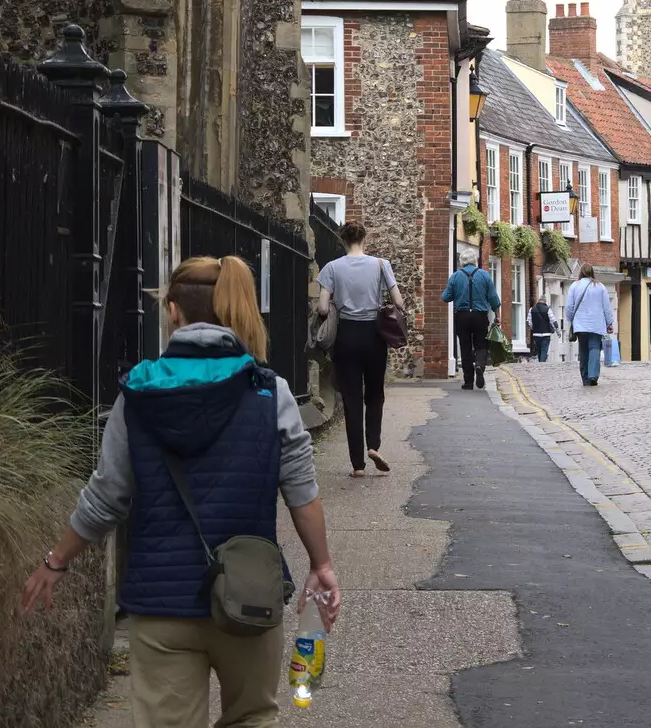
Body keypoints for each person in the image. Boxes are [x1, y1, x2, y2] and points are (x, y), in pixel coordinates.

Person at [22, 256, 341, 727]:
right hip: (248, 596)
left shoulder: (138, 393)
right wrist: (321, 565)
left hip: (161, 603)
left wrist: (57, 561)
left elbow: (107, 496)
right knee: (252, 716)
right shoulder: (268, 393)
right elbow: (301, 492)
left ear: (173, 311)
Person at [317, 222, 409, 477]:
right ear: (364, 238)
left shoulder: (332, 268)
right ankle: (374, 445)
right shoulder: (381, 265)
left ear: (342, 240)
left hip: (346, 336)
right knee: (375, 393)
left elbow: (323, 309)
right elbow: (398, 301)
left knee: (351, 398)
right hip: (374, 336)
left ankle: (357, 464)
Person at [441, 248, 500, 390]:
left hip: (461, 316)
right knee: (481, 345)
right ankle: (479, 365)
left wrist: (457, 293)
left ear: (462, 261)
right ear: (475, 260)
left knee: (465, 347)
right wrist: (497, 315)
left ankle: (468, 382)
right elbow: (493, 298)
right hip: (480, 316)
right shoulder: (485, 276)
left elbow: (445, 297)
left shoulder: (455, 276)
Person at [563, 263, 615, 387]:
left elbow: (569, 306)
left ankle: (585, 378)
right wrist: (609, 322)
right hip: (596, 324)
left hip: (580, 325)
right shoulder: (600, 286)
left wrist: (570, 319)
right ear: (592, 272)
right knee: (594, 348)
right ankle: (593, 375)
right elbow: (606, 307)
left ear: (581, 272)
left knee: (583, 350)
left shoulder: (574, 286)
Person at [530, 297, 557, 363]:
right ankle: (542, 363)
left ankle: (540, 362)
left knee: (539, 350)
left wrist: (532, 328)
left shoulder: (532, 309)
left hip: (536, 334)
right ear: (545, 302)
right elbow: (553, 321)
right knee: (544, 349)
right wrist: (558, 331)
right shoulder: (548, 309)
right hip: (546, 334)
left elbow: (529, 321)